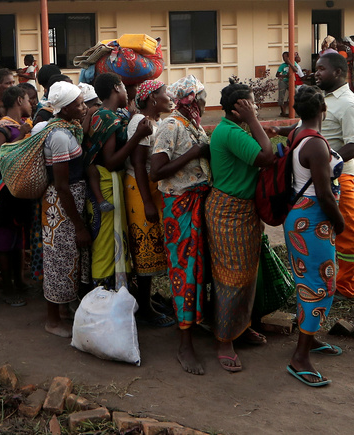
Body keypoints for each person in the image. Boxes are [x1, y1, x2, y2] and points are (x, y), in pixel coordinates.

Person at [205, 80, 274, 373]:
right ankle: (224, 340)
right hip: (229, 213)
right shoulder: (231, 132)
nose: (256, 108)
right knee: (230, 277)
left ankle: (239, 327)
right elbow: (267, 156)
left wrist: (252, 121)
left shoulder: (236, 130)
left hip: (242, 211)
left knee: (245, 275)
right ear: (240, 109)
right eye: (251, 104)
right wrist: (253, 119)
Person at [283, 86, 345, 387]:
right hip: (313, 221)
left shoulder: (297, 135)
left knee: (308, 282)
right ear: (324, 110)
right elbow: (324, 194)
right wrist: (340, 223)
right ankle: (300, 357)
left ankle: (310, 337)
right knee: (323, 284)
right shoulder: (317, 146)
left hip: (302, 219)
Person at [151, 74, 211, 375]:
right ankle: (184, 344)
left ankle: (196, 323)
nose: (203, 100)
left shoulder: (193, 124)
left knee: (200, 269)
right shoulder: (171, 126)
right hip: (180, 206)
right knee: (184, 271)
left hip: (199, 202)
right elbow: (156, 171)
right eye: (200, 96)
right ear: (189, 99)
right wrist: (194, 153)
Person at [31, 81, 89, 337]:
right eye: (79, 104)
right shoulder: (59, 137)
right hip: (61, 206)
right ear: (64, 109)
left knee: (67, 257)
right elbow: (63, 185)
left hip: (65, 204)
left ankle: (63, 311)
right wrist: (78, 224)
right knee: (57, 260)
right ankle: (52, 319)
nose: (84, 107)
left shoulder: (65, 128)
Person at [85, 73, 147, 289]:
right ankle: (104, 294)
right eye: (123, 85)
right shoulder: (107, 118)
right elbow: (110, 161)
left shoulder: (108, 115)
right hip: (106, 182)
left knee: (111, 240)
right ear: (115, 88)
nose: (127, 90)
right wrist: (138, 136)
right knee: (106, 242)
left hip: (106, 182)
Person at [314, 53, 354, 300]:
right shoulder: (324, 99)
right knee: (329, 229)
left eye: (321, 69)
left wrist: (328, 163)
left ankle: (348, 286)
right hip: (321, 177)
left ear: (337, 72)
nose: (316, 73)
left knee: (349, 232)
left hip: (339, 177)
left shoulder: (348, 103)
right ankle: (332, 279)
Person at [124, 80, 174, 327]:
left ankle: (148, 302)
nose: (169, 96)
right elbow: (138, 165)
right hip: (139, 189)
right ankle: (144, 308)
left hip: (150, 190)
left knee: (153, 246)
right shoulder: (140, 123)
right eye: (165, 93)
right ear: (152, 98)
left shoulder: (156, 123)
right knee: (144, 248)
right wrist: (147, 202)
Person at [0, 85, 33, 306]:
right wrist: (20, 138)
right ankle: (7, 288)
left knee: (16, 241)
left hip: (17, 193)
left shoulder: (19, 125)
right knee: (4, 242)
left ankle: (19, 282)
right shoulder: (4, 128)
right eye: (27, 100)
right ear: (18, 101)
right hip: (3, 194)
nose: (30, 103)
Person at [276, 51, 303, 117]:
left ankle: (298, 111)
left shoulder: (294, 63)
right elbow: (277, 75)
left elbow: (296, 70)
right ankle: (283, 112)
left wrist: (290, 63)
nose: (284, 59)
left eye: (285, 57)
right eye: (283, 57)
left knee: (296, 94)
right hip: (283, 82)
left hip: (291, 81)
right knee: (281, 96)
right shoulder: (282, 65)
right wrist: (285, 75)